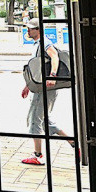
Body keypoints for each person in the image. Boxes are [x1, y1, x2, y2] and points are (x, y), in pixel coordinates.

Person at [20, 18, 76, 165]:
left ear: (38, 30)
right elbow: (38, 69)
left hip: (45, 88)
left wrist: (52, 75)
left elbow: (54, 56)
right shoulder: (38, 43)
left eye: (31, 28)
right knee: (45, 121)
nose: (28, 30)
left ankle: (38, 155)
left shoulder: (45, 42)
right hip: (41, 87)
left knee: (34, 120)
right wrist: (28, 86)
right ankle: (73, 142)